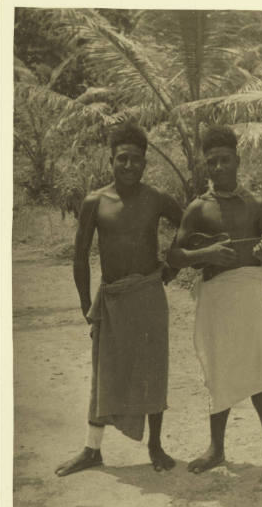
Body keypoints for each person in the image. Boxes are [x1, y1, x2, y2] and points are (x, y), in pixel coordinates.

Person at [167, 124, 262, 474]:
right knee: (219, 367)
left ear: (237, 160)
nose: (217, 168)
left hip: (248, 294)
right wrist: (208, 253)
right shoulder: (198, 209)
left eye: (224, 160)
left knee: (258, 363)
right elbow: (175, 256)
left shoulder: (258, 204)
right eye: (211, 162)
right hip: (216, 297)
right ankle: (216, 449)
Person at [55, 121, 183, 476]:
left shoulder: (155, 198)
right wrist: (85, 304)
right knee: (104, 371)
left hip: (148, 294)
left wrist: (171, 267)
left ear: (145, 163)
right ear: (110, 160)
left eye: (136, 160)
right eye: (122, 159)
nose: (129, 166)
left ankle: (155, 446)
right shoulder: (95, 201)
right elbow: (80, 256)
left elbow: (189, 226)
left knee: (153, 368)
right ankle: (92, 450)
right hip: (111, 299)